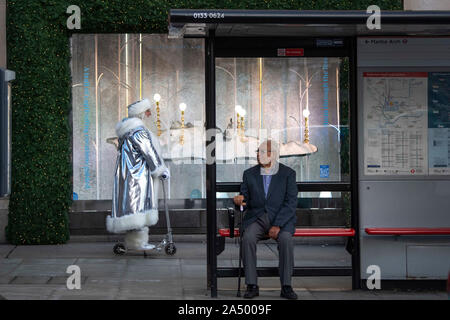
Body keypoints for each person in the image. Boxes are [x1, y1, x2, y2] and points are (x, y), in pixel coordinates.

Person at [234, 140, 298, 299]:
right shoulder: (249, 174)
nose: (258, 155)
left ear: (273, 155)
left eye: (262, 152)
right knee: (247, 238)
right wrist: (239, 201)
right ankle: (251, 284)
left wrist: (277, 224)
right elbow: (245, 200)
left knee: (286, 240)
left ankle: (286, 286)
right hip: (257, 218)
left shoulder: (288, 174)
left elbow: (291, 203)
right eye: (258, 151)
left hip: (281, 219)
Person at [106, 98, 170, 250]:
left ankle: (134, 242)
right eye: (147, 111)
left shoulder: (126, 131)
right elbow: (148, 152)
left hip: (129, 175)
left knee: (131, 208)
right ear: (140, 113)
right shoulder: (138, 131)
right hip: (138, 176)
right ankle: (138, 243)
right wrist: (161, 170)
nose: (149, 114)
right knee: (139, 207)